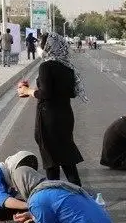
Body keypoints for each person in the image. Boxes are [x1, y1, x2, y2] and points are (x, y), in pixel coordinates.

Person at [17, 32, 85, 186]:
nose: (40, 47)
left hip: (49, 118)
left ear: (49, 46)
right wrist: (37, 90)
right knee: (66, 155)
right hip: (65, 115)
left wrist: (27, 91)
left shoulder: (46, 66)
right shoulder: (67, 67)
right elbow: (71, 93)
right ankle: (78, 191)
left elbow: (45, 94)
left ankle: (53, 193)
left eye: (42, 44)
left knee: (50, 158)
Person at [11, 166, 112, 223]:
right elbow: (63, 209)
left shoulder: (36, 199)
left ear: (21, 184)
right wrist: (32, 214)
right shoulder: (55, 185)